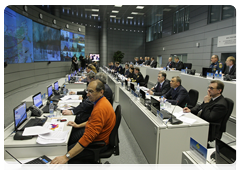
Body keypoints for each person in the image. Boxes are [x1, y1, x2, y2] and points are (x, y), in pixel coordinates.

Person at [48, 80, 116, 170]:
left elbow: (87, 138)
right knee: (69, 141)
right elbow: (92, 121)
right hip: (97, 136)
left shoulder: (100, 109)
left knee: (65, 155)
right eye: (87, 91)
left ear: (101, 92)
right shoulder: (100, 101)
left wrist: (66, 157)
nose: (87, 94)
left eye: (91, 91)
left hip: (97, 143)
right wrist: (78, 125)